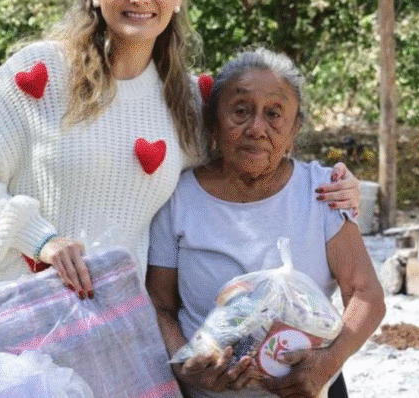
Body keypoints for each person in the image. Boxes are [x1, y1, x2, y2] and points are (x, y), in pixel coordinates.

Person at [0, 0, 360, 301]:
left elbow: (249, 162)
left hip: (115, 324)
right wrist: (41, 241)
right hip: (18, 309)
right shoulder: (41, 72)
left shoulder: (187, 102)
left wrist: (335, 189)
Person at [146, 48, 385, 398]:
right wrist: (185, 366)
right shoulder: (179, 198)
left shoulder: (323, 192)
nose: (256, 128)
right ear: (213, 122)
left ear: (294, 128)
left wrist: (326, 364)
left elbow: (366, 294)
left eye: (274, 114)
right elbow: (159, 303)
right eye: (241, 111)